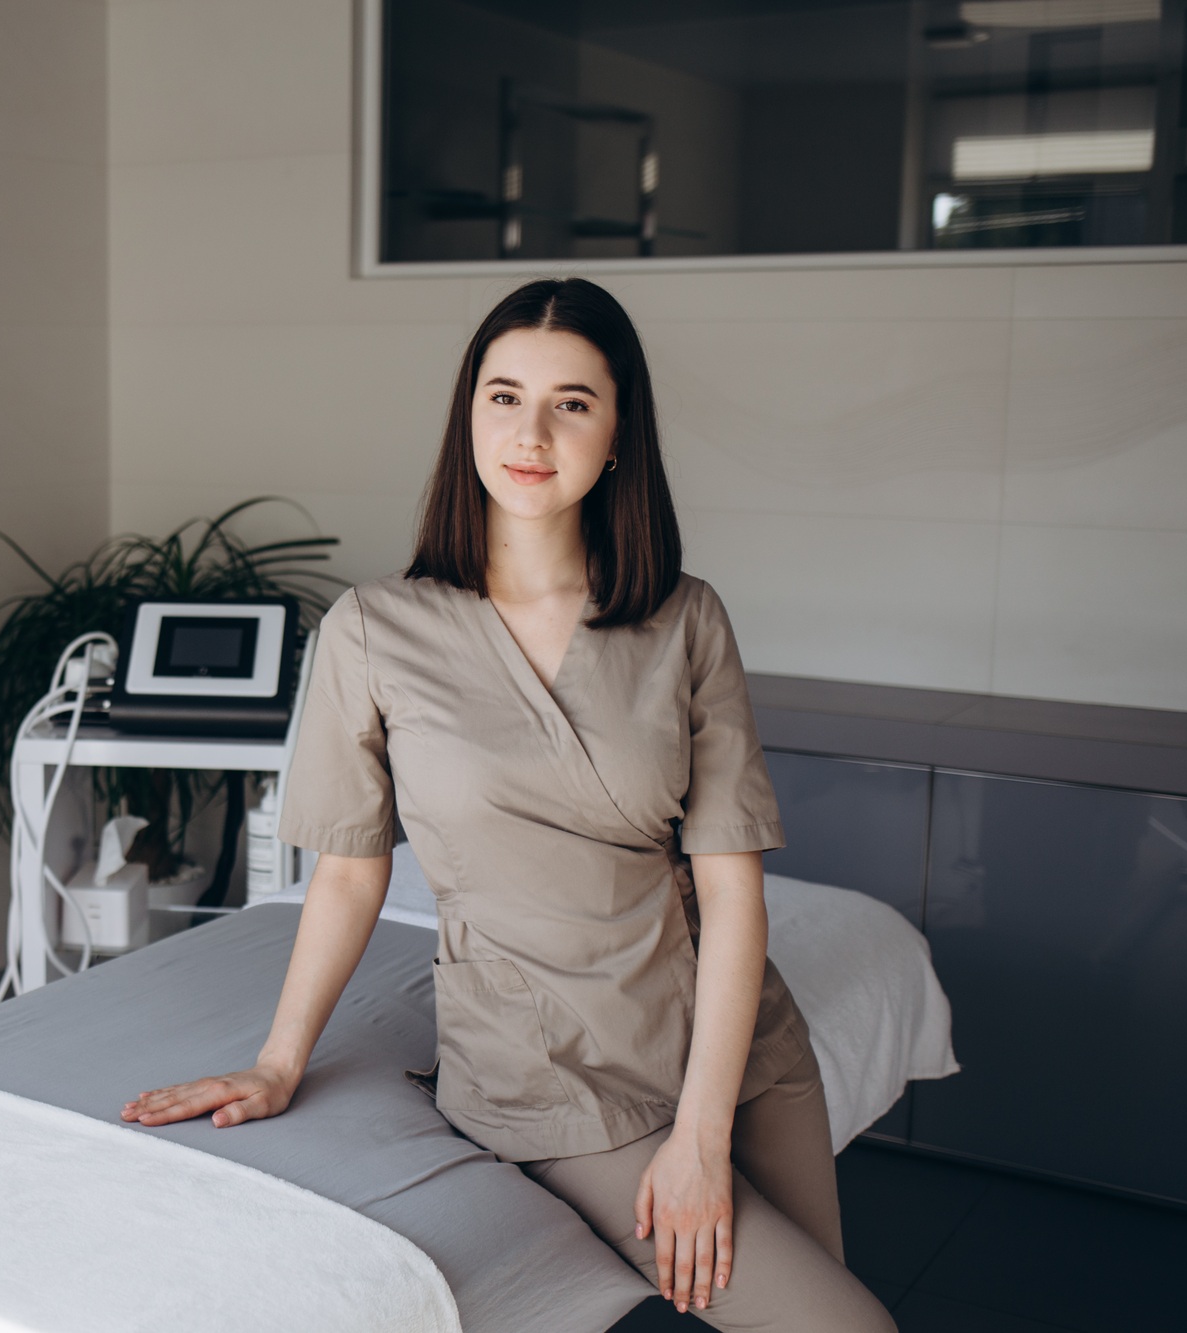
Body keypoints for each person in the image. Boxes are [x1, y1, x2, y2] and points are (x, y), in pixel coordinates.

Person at [121, 279, 895, 1329]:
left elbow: (732, 884)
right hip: (552, 1069)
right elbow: (351, 871)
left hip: (735, 1042)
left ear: (617, 429)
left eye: (572, 401)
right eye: (502, 395)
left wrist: (702, 1135)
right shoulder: (373, 629)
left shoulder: (682, 617)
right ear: (466, 415)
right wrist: (276, 1060)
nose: (530, 431)